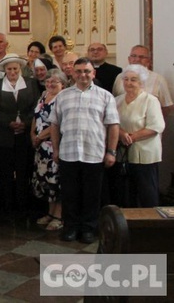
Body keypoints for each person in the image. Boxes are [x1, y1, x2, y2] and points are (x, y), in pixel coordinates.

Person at [50, 57, 119, 244]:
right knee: (70, 194)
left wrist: (111, 151)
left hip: (94, 153)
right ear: (72, 73)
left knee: (92, 195)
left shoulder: (105, 96)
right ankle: (70, 227)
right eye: (79, 71)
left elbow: (113, 126)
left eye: (87, 71)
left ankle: (89, 228)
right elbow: (54, 124)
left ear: (93, 73)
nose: (83, 75)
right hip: (68, 152)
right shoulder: (63, 96)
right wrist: (55, 149)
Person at [0, 53, 41, 214]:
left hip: (24, 135)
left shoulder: (31, 84)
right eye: (9, 69)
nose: (12, 72)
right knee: (4, 172)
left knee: (23, 171)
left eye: (15, 69)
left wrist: (25, 123)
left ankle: (23, 204)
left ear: (20, 69)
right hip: (3, 135)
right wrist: (9, 123)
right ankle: (6, 205)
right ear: (5, 70)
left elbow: (37, 105)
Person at [115, 64, 165, 207]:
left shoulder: (150, 100)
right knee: (126, 193)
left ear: (141, 82)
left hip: (146, 154)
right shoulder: (117, 100)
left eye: (133, 80)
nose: (129, 83)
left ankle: (148, 225)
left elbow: (156, 126)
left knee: (146, 193)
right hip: (123, 154)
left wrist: (131, 137)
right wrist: (122, 134)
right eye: (126, 79)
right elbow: (112, 123)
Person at [31, 69, 67, 232]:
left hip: (54, 145)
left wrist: (40, 137)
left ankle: (59, 216)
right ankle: (50, 213)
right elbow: (36, 116)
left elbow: (57, 123)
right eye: (48, 81)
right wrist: (33, 134)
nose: (51, 84)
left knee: (56, 181)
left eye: (55, 82)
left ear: (63, 84)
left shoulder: (63, 98)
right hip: (41, 147)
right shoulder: (44, 95)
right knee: (45, 181)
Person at [112, 45, 173, 116]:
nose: (137, 59)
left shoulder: (159, 79)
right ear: (129, 59)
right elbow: (114, 100)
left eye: (142, 57)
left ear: (148, 61)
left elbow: (167, 106)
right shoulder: (120, 77)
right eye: (134, 56)